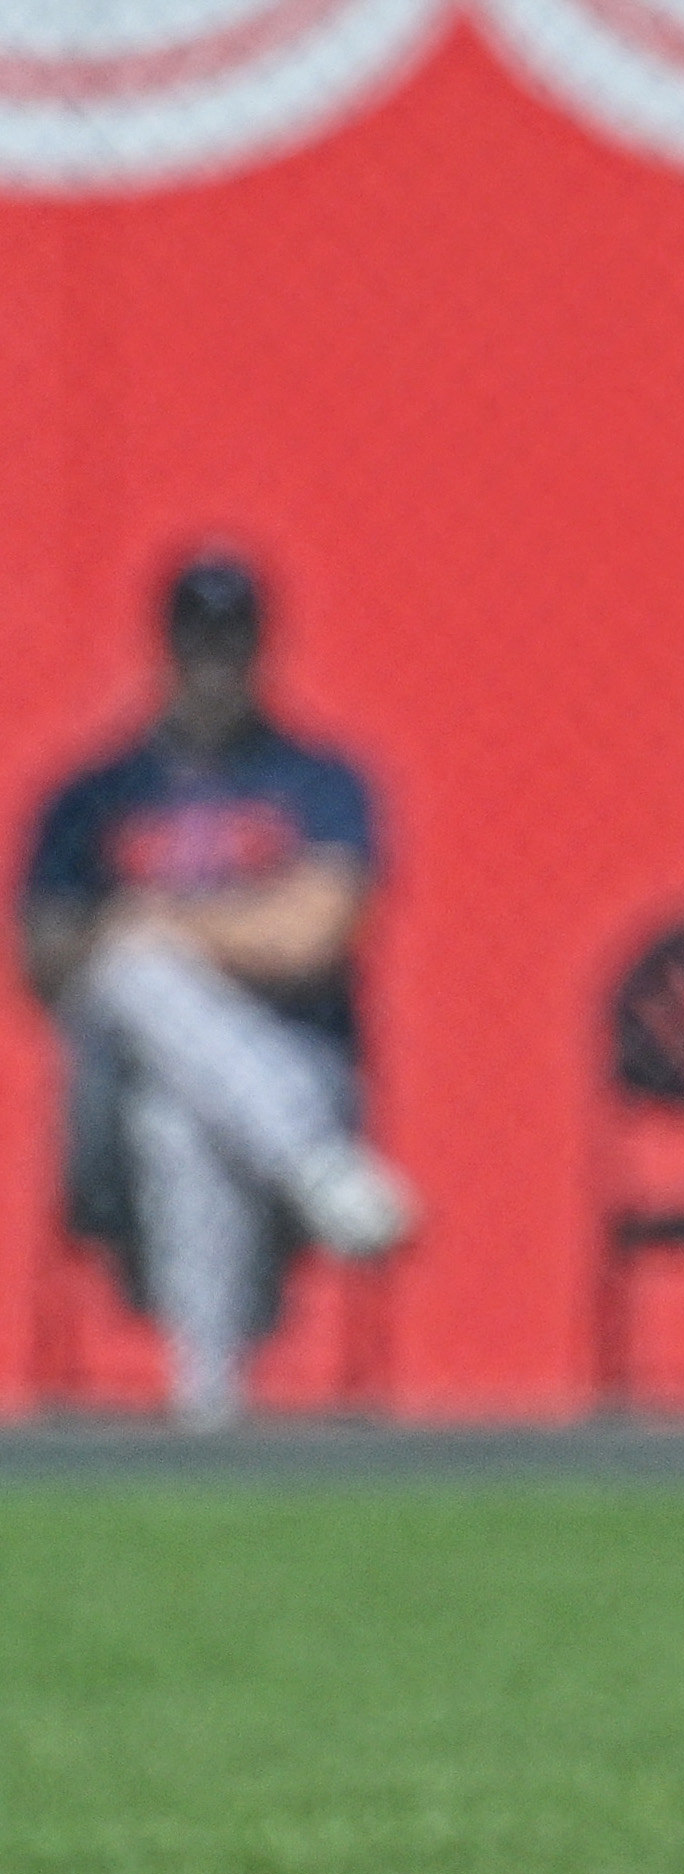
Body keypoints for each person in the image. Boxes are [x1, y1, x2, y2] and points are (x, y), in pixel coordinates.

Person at [20, 553, 418, 1429]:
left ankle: (208, 1405)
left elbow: (313, 931)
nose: (214, 665)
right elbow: (46, 962)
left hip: (297, 1062)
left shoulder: (317, 781)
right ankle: (310, 1165)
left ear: (260, 649)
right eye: (196, 644)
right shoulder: (91, 798)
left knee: (176, 1096)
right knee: (128, 980)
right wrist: (183, 937)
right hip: (109, 1098)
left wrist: (152, 921)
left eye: (231, 643)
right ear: (165, 649)